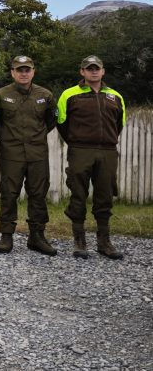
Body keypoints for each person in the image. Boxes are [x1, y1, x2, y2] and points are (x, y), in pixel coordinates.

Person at [57, 55, 126, 260]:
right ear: (82, 72)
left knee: (104, 195)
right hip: (80, 150)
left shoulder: (115, 96)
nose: (93, 71)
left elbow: (119, 123)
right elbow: (62, 122)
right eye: (89, 68)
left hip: (107, 151)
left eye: (97, 68)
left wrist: (107, 141)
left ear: (103, 71)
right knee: (78, 193)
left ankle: (104, 242)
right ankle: (79, 241)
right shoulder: (69, 95)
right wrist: (77, 141)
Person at [0, 56, 57, 256]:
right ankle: (6, 235)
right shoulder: (1, 95)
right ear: (12, 72)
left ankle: (37, 236)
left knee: (38, 194)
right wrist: (9, 139)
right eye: (19, 70)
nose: (23, 73)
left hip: (37, 153)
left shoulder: (45, 95)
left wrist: (34, 139)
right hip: (12, 154)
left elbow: (51, 121)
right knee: (9, 193)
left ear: (33, 71)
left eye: (27, 70)